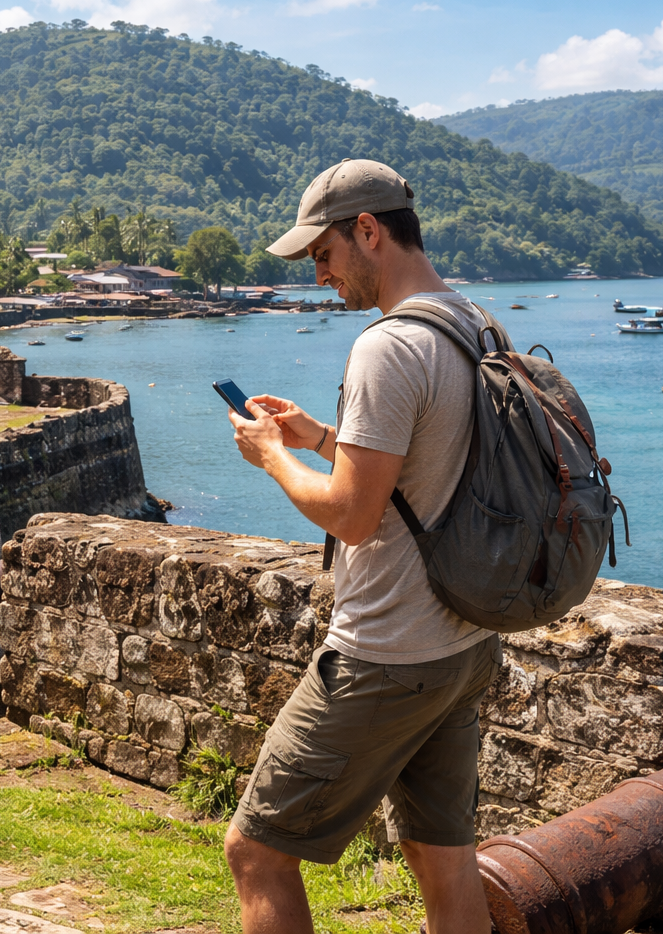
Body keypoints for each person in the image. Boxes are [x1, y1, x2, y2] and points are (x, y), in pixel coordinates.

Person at [222, 159, 505, 934]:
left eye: (322, 254)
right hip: (464, 639)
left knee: (257, 850)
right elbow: (433, 462)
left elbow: (350, 515)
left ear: (369, 232)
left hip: (388, 652)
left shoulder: (387, 347)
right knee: (444, 858)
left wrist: (272, 455)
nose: (319, 277)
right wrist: (318, 435)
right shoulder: (474, 322)